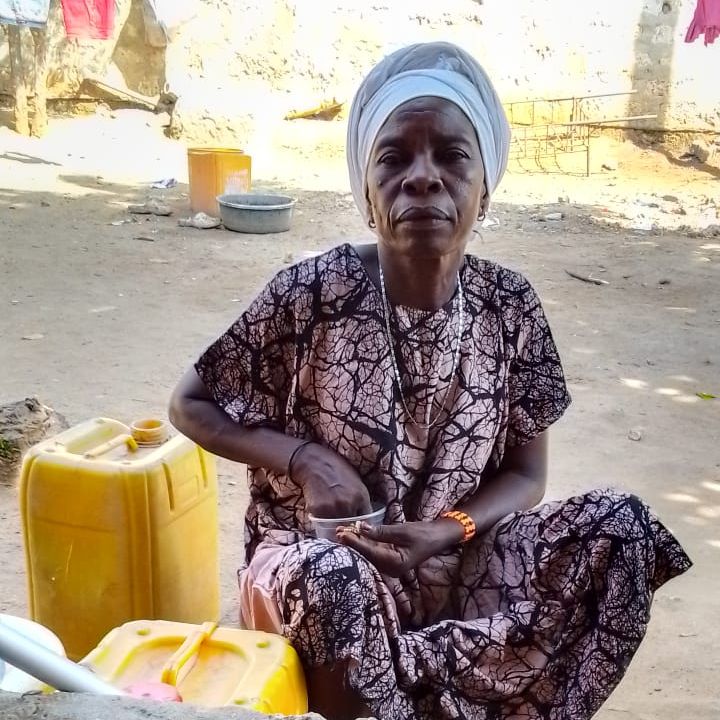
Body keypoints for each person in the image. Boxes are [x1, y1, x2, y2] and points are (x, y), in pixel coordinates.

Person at [169, 41, 691, 720]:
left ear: (485, 188)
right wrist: (305, 460)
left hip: (458, 563)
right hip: (320, 566)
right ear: (365, 193)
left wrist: (448, 530)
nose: (422, 178)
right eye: (394, 158)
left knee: (621, 530)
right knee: (335, 584)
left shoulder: (510, 306)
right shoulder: (312, 292)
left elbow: (527, 476)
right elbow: (190, 402)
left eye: (450, 156)